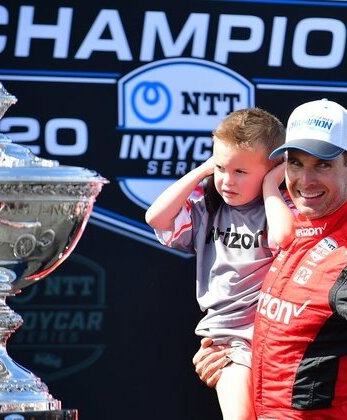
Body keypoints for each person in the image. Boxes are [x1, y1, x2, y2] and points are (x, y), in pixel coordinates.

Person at [192, 98, 347, 419]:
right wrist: (228, 359)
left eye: (322, 164)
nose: (305, 181)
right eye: (296, 164)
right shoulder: (296, 223)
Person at [145, 107, 294, 420]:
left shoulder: (281, 205)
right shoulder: (208, 207)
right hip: (229, 341)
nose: (227, 180)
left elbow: (282, 237)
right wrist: (203, 171)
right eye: (221, 168)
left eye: (241, 172)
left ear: (273, 169)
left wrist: (271, 187)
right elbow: (155, 217)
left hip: (279, 338)